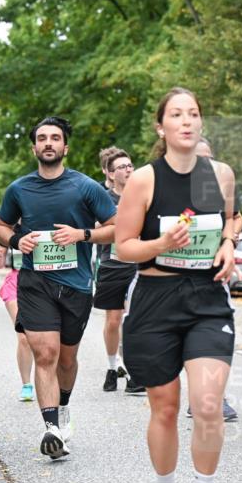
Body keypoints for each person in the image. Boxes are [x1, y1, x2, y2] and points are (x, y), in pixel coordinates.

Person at [115, 87, 237, 483]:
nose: (187, 122)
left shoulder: (219, 174)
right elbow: (124, 246)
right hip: (155, 298)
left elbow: (231, 218)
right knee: (165, 407)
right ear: (161, 126)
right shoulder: (145, 180)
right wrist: (162, 245)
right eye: (177, 115)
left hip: (206, 300)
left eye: (194, 114)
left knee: (207, 404)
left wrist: (226, 243)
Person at [0, 116, 117, 460]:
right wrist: (18, 240)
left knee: (67, 359)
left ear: (65, 147)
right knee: (44, 354)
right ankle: (50, 429)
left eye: (55, 138)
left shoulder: (86, 187)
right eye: (42, 138)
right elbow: (0, 227)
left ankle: (63, 407)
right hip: (35, 283)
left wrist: (82, 235)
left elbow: (116, 226)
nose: (48, 143)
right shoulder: (19, 189)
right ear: (34, 147)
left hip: (76, 285)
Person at [184, 137, 238, 422]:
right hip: (176, 279)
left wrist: (230, 240)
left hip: (213, 276)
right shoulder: (171, 190)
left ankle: (217, 396)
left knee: (216, 337)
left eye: (208, 159)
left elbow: (235, 218)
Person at [92, 149, 144, 394]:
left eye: (130, 165)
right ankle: (112, 367)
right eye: (122, 167)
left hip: (138, 265)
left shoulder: (143, 195)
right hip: (112, 264)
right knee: (113, 321)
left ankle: (133, 373)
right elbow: (95, 228)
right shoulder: (103, 199)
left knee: (132, 318)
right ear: (111, 174)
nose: (128, 169)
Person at [0, 240, 36, 402]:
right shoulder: (9, 232)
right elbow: (0, 264)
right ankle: (26, 385)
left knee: (44, 338)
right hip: (16, 282)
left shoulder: (43, 223)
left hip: (41, 283)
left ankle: (49, 379)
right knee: (23, 336)